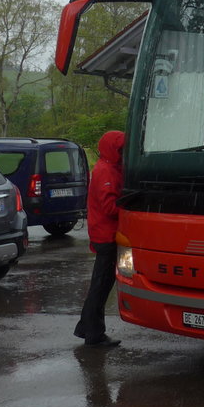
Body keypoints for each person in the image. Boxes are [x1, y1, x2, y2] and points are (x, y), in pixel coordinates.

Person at [74, 130, 125, 348]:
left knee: (100, 284)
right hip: (106, 235)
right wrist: (130, 205)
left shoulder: (110, 168)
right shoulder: (106, 171)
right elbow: (109, 207)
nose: (124, 153)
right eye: (121, 149)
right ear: (113, 150)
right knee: (101, 285)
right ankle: (94, 334)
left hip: (104, 233)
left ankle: (87, 328)